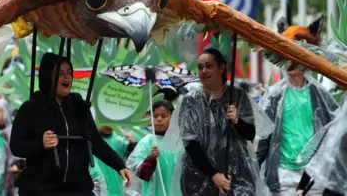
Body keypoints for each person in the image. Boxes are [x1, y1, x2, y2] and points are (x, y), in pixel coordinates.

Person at [10, 52, 132, 196]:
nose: (67, 77)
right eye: (60, 73)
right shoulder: (31, 108)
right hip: (42, 190)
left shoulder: (79, 106)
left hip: (78, 188)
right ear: (47, 77)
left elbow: (96, 142)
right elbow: (16, 146)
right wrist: (40, 144)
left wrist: (119, 165)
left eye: (69, 72)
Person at [164, 48, 272, 195]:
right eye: (200, 67)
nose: (204, 71)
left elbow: (250, 134)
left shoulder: (238, 96)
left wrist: (236, 120)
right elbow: (190, 142)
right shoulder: (191, 101)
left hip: (236, 175)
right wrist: (214, 175)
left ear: (222, 68)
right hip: (198, 177)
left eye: (209, 66)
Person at [257, 65, 338, 195]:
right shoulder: (275, 94)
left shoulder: (319, 93)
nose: (289, 64)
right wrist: (254, 167)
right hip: (283, 172)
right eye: (287, 60)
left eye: (294, 60)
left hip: (312, 172)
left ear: (304, 63)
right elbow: (264, 134)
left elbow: (335, 128)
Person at [126, 100, 180, 196]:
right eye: (155, 116)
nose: (159, 119)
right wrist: (151, 159)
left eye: (163, 116)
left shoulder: (180, 142)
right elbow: (140, 174)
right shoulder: (146, 142)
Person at [295, 97, 347, 196]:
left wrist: (301, 187)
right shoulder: (338, 128)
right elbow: (319, 155)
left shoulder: (338, 128)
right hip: (334, 186)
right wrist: (302, 186)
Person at [96, 125, 136, 196]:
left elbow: (133, 161)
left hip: (116, 190)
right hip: (95, 189)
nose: (108, 124)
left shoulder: (121, 139)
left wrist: (133, 145)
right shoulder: (87, 140)